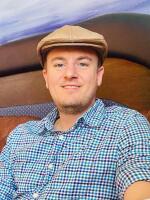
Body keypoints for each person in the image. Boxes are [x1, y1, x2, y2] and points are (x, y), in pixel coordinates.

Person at [0, 25, 150, 200]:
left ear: (98, 75)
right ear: (46, 77)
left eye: (83, 64)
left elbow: (140, 182)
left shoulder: (127, 124)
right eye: (59, 64)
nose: (70, 73)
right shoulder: (20, 135)